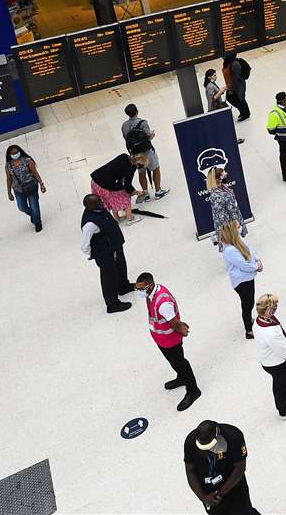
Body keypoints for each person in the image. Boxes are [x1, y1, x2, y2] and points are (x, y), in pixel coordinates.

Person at [135, 271, 201, 411]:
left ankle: (193, 390)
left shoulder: (162, 302)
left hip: (170, 340)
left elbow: (174, 322)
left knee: (180, 362)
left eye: (141, 289)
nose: (139, 292)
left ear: (150, 285)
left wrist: (181, 327)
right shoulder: (151, 294)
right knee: (173, 361)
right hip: (162, 339)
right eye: (138, 289)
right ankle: (181, 377)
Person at [183, 420, 256, 515]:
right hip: (208, 492)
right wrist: (203, 497)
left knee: (244, 512)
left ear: (216, 436)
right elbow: (190, 470)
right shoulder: (190, 441)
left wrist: (220, 493)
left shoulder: (233, 436)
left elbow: (240, 468)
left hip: (233, 486)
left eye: (209, 445)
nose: (207, 449)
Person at [81, 193, 132, 314]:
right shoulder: (90, 224)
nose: (101, 203)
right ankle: (112, 304)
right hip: (104, 252)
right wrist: (93, 253)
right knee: (109, 277)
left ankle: (123, 286)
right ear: (90, 206)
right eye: (98, 202)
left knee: (120, 265)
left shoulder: (99, 210)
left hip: (114, 246)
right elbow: (84, 245)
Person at [253, 294, 286, 420]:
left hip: (268, 361)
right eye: (273, 308)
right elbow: (282, 349)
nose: (276, 309)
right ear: (266, 310)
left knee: (278, 385)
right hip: (277, 364)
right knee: (281, 386)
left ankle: (283, 402)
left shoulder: (259, 321)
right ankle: (284, 411)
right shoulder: (270, 333)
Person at [218, 221, 260, 338]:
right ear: (233, 231)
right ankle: (248, 331)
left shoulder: (239, 240)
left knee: (249, 301)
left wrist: (258, 260)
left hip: (248, 278)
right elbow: (243, 265)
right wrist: (257, 266)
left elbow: (251, 250)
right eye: (238, 227)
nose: (240, 227)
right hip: (242, 282)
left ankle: (249, 319)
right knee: (247, 304)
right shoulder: (230, 251)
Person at [122, 103, 166, 200]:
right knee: (155, 168)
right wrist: (152, 134)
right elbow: (148, 137)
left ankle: (145, 193)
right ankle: (158, 191)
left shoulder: (124, 126)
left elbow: (126, 138)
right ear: (137, 111)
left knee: (141, 172)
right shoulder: (143, 123)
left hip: (135, 154)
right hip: (147, 151)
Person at [90, 151, 149, 221]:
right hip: (104, 185)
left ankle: (116, 218)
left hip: (95, 181)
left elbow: (117, 172)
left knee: (110, 199)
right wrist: (136, 192)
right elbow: (127, 186)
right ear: (139, 164)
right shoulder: (131, 168)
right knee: (125, 196)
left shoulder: (124, 156)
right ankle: (129, 219)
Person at [4, 145, 46, 232]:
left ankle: (37, 222)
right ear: (9, 154)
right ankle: (33, 215)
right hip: (18, 191)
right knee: (22, 207)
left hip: (31, 187)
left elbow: (35, 173)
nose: (15, 154)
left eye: (17, 152)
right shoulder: (8, 165)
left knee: (34, 206)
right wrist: (9, 192)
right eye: (13, 153)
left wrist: (41, 184)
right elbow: (9, 179)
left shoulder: (27, 161)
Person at [205, 167, 244, 246]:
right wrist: (232, 225)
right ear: (218, 179)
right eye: (224, 175)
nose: (226, 174)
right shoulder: (216, 196)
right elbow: (220, 216)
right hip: (230, 228)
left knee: (241, 245)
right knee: (237, 247)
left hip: (235, 222)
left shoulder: (223, 187)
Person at [221, 53, 251, 121]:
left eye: (223, 55)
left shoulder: (235, 64)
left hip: (238, 86)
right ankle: (243, 111)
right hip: (231, 85)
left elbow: (236, 78)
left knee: (240, 99)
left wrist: (232, 89)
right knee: (233, 98)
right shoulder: (227, 63)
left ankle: (246, 114)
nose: (222, 56)